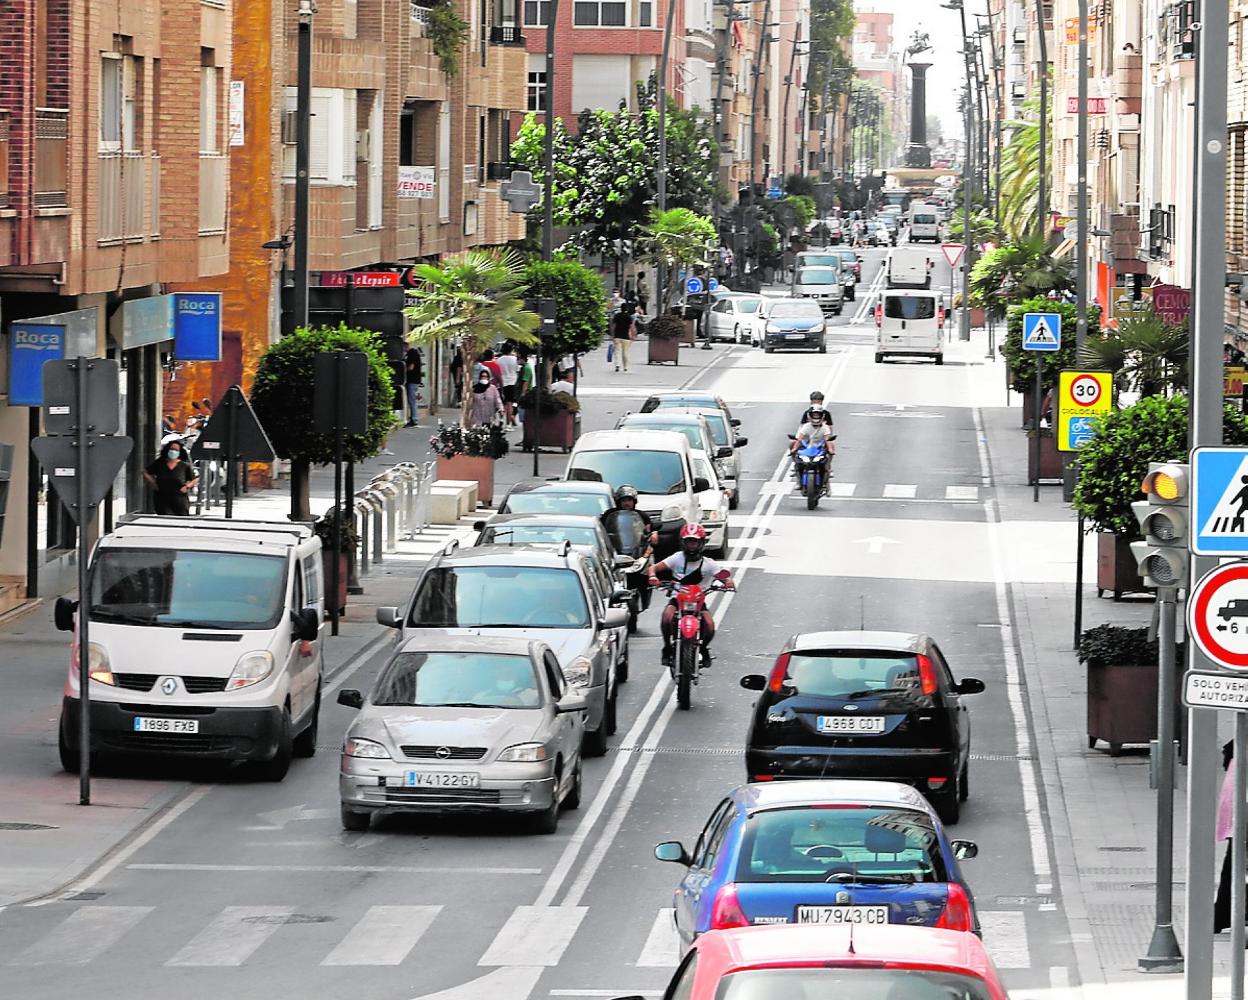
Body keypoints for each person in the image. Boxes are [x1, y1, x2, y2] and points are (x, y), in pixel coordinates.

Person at [649, 524, 735, 667]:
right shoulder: (676, 558)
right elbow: (654, 568)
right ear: (683, 543)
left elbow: (722, 576)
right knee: (666, 617)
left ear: (701, 543)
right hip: (678, 598)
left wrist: (728, 581)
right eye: (689, 542)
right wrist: (653, 576)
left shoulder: (709, 564)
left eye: (695, 542)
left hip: (698, 602)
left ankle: (703, 648)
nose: (692, 546)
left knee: (710, 625)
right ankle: (667, 647)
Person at [143, 438, 199, 516]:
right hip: (162, 498)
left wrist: (187, 487)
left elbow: (194, 479)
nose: (173, 452)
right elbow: (145, 472)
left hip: (179, 499)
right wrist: (153, 482)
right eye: (172, 449)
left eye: (176, 450)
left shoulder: (184, 466)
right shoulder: (160, 463)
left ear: (179, 452)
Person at [496, 342, 520, 426]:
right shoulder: (514, 359)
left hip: (502, 383)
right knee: (510, 403)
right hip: (512, 382)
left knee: (502, 403)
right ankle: (508, 423)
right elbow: (518, 370)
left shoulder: (499, 360)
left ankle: (502, 419)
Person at [404, 339, 424, 427]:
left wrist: (403, 371)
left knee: (412, 400)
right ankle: (413, 418)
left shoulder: (412, 353)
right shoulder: (411, 353)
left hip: (412, 380)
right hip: (413, 380)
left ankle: (414, 419)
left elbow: (411, 367)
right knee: (411, 400)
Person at [612, 302, 635, 373]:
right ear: (627, 309)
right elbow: (631, 327)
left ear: (620, 308)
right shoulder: (629, 317)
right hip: (626, 336)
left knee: (617, 351)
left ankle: (617, 365)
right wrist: (633, 335)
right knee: (625, 352)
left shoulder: (617, 316)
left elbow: (613, 326)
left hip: (617, 336)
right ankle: (625, 367)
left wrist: (612, 335)